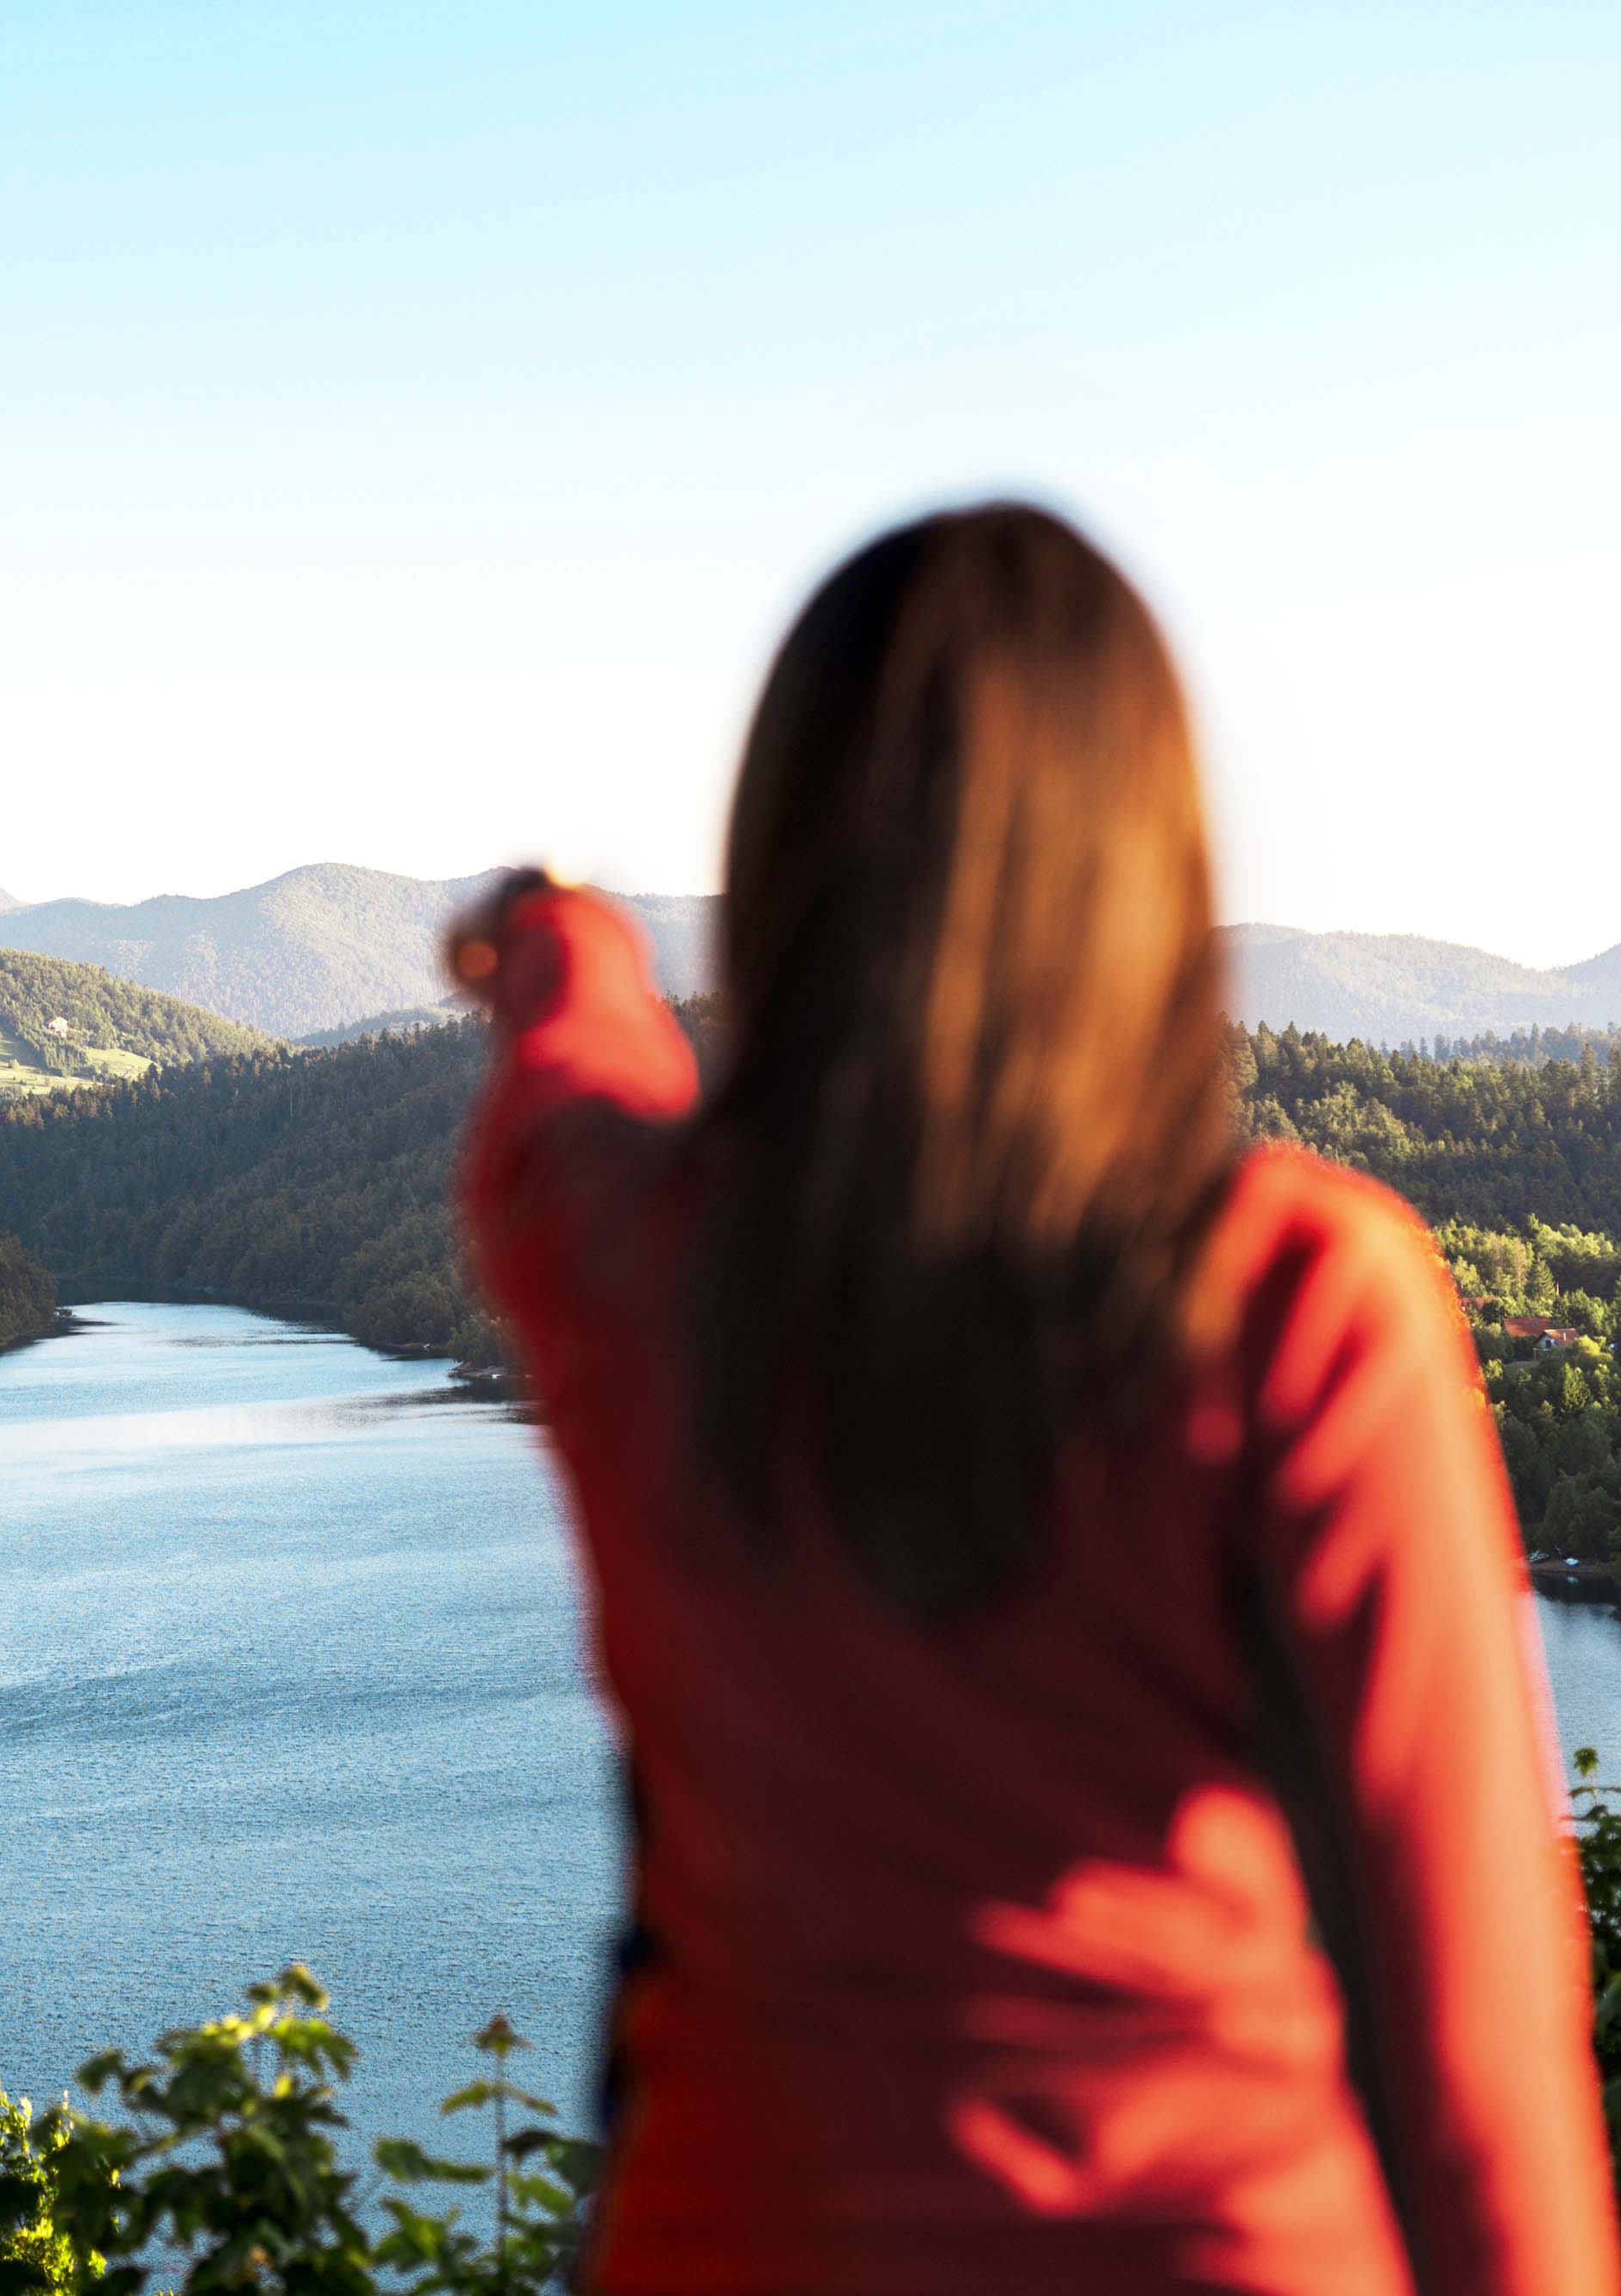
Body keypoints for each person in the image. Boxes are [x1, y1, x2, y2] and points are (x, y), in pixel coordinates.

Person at [447, 502, 1617, 2294]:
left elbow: (571, 1059)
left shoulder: (638, 1266)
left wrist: (545, 926)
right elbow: (1475, 2040)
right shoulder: (1299, 1301)